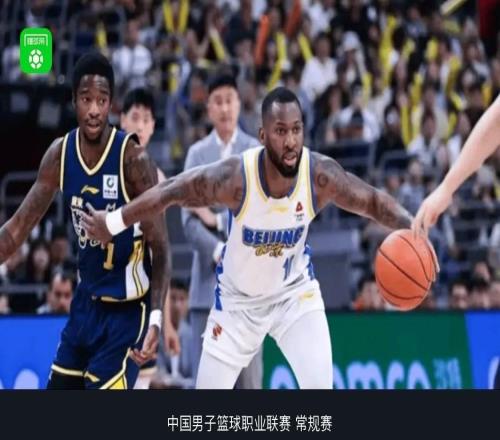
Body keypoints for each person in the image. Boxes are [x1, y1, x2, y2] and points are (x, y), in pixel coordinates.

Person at [82, 87, 434, 389]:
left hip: (293, 296)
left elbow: (372, 201)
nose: (291, 141)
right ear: (263, 136)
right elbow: (171, 191)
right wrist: (113, 221)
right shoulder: (236, 178)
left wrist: (413, 227)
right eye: (280, 131)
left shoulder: (318, 176)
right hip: (237, 305)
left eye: (296, 130)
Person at [0, 52, 169, 389]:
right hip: (84, 307)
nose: (94, 109)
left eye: (102, 100)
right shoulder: (59, 155)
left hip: (126, 314)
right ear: (74, 100)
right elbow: (17, 229)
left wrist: (156, 318)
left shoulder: (133, 159)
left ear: (111, 104)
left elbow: (161, 247)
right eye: (86, 99)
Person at [181, 73, 263, 389]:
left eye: (229, 100)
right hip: (206, 289)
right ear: (209, 109)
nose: (225, 108)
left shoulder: (255, 152)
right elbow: (188, 221)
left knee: (250, 387)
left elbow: (261, 215)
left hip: (249, 294)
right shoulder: (196, 155)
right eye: (218, 102)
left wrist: (216, 220)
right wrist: (217, 250)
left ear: (239, 104)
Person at [119, 86, 180, 389]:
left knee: (141, 385)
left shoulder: (160, 182)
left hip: (143, 301)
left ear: (154, 126)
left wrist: (165, 323)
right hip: (108, 297)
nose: (140, 125)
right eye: (135, 117)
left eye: (146, 120)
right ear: (122, 120)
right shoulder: (105, 170)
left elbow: (161, 256)